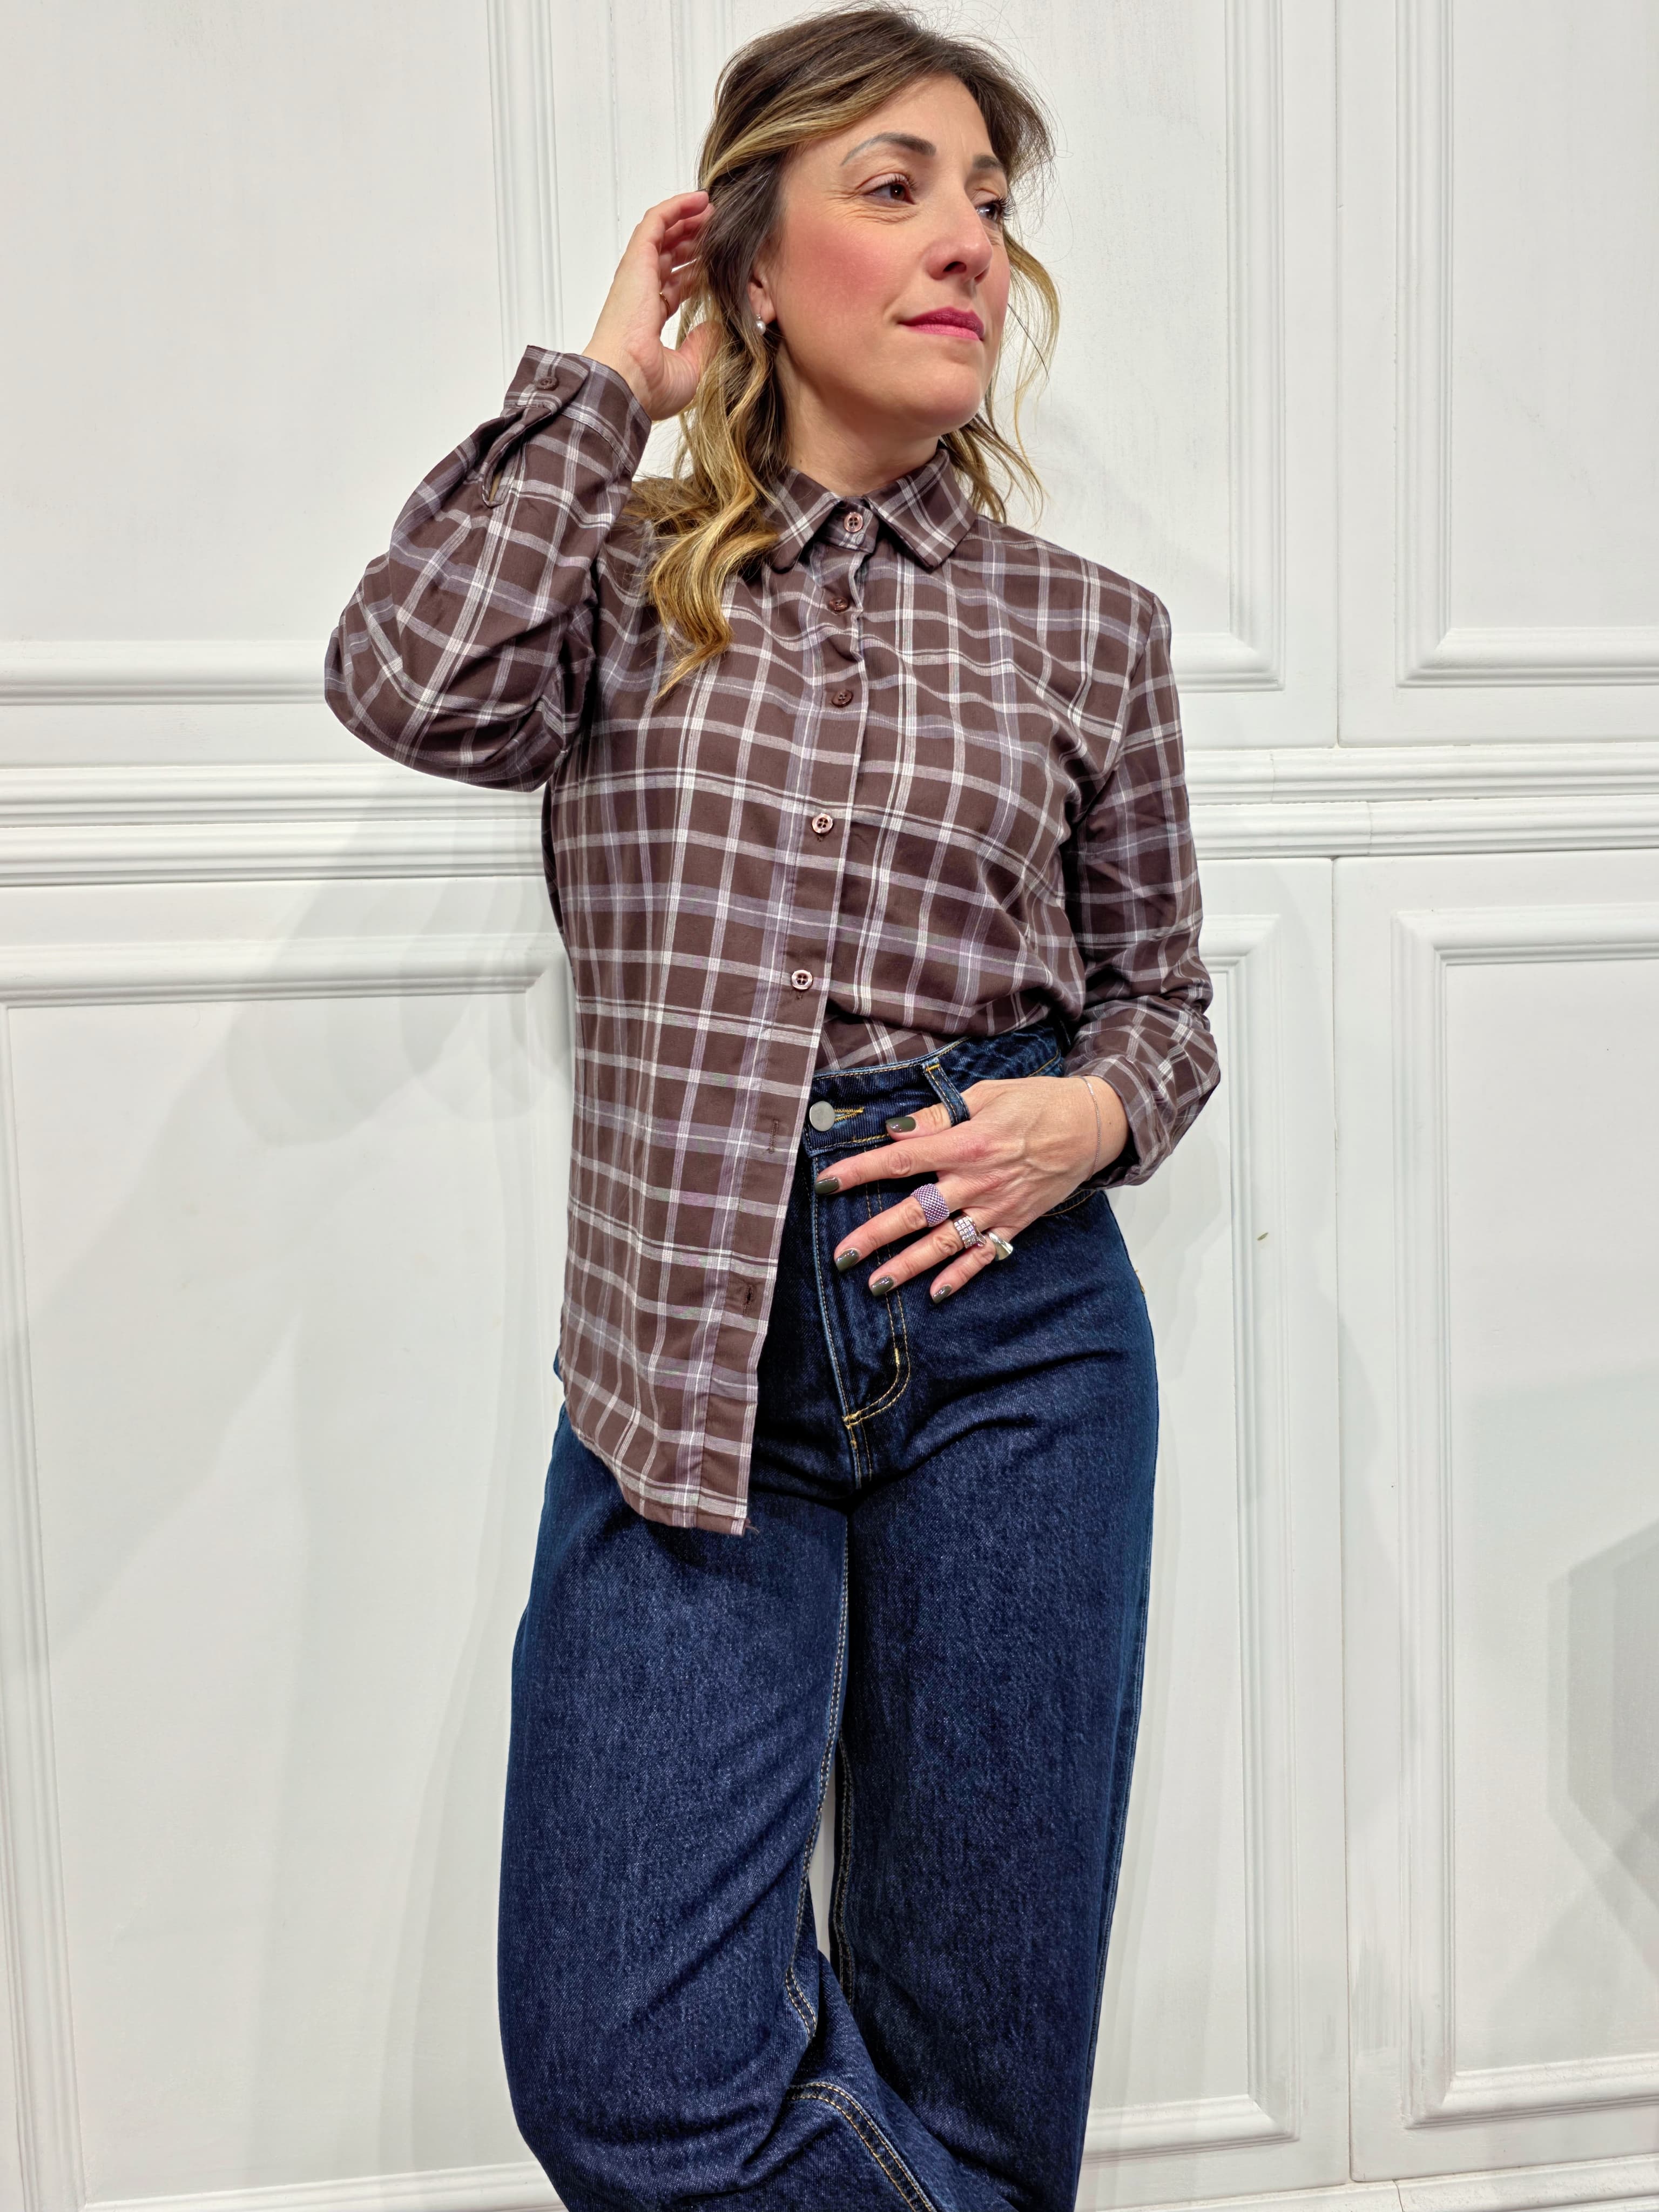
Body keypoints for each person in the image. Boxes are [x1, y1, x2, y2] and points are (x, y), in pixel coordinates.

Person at [324, 5, 1219, 2204]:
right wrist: (602, 385)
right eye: (894, 190)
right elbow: (404, 684)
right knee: (629, 2072)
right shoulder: (623, 579)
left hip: (1016, 1340)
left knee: (981, 2063)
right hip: (683, 1354)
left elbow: (1168, 1004)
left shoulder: (1090, 630)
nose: (967, 246)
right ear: (745, 255)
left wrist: (1087, 1120)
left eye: (988, 203)